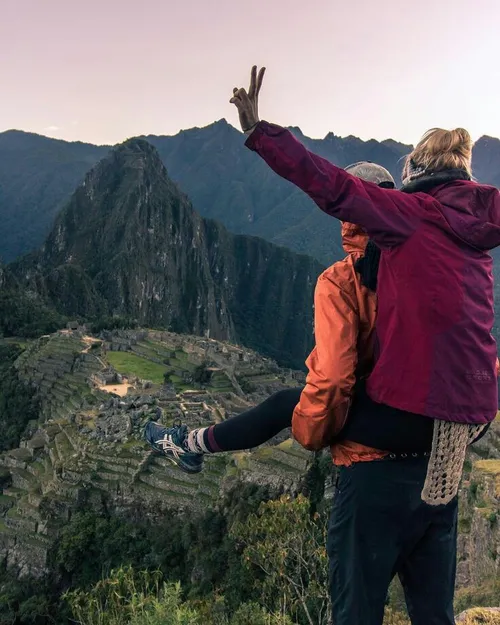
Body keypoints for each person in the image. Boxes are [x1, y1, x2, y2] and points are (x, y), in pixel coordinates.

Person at [225, 66, 500, 625]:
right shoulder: (485, 217)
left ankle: (198, 443)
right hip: (468, 421)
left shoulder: (408, 216)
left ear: (416, 173)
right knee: (434, 613)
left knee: (355, 610)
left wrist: (260, 134)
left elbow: (334, 187)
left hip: (398, 429)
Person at [144, 161, 399, 474]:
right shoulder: (423, 269)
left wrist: (310, 431)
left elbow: (334, 378)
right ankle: (189, 443)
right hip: (427, 424)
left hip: (378, 433)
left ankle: (186, 443)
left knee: (285, 407)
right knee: (283, 403)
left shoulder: (342, 282)